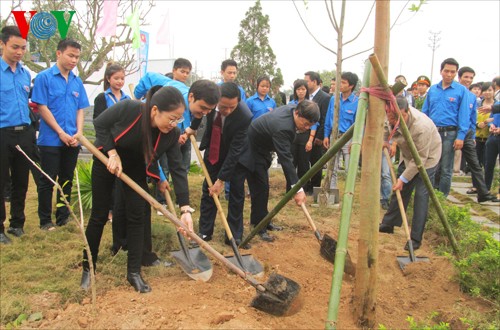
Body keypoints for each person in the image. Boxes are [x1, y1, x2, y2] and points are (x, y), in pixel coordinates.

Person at [81, 86, 194, 293]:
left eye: (178, 119)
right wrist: (112, 153)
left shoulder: (171, 135)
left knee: (137, 215)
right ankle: (89, 268)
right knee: (98, 215)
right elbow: (100, 124)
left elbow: (178, 169)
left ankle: (133, 272)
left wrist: (185, 209)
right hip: (106, 158)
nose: (174, 124)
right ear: (155, 110)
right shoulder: (130, 108)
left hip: (135, 166)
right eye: (171, 118)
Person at [236, 100, 319, 242]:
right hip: (252, 150)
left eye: (310, 126)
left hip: (263, 148)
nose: (306, 128)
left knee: (263, 189)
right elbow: (286, 160)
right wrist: (298, 189)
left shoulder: (294, 109)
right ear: (297, 113)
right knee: (260, 189)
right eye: (305, 124)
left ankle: (265, 221)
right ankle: (258, 226)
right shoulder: (283, 128)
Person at [31, 38, 90, 230]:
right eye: (70, 55)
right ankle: (45, 221)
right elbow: (42, 107)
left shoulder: (76, 81)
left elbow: (81, 108)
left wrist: (79, 133)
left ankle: (63, 216)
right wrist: (60, 132)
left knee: (66, 179)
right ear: (59, 53)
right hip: (50, 140)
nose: (74, 60)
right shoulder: (44, 78)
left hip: (72, 140)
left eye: (77, 57)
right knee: (48, 180)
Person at [379, 97, 442, 251]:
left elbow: (420, 158)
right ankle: (389, 223)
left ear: (407, 112)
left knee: (421, 196)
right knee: (399, 190)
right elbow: (386, 129)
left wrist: (403, 179)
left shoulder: (421, 127)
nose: (393, 120)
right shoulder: (391, 115)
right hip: (407, 157)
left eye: (398, 117)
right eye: (391, 117)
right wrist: (385, 141)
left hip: (427, 159)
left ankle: (415, 239)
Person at [197, 83, 253, 247]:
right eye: (223, 106)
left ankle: (234, 235)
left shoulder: (244, 115)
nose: (227, 111)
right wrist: (192, 128)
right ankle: (205, 231)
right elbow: (199, 115)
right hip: (214, 150)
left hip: (237, 155)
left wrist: (222, 179)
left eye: (231, 107)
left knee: (236, 192)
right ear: (216, 101)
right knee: (209, 189)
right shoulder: (208, 103)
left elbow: (235, 150)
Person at [0, 26, 35, 244]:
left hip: (25, 133)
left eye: (23, 48)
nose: (19, 52)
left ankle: (17, 224)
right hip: (2, 133)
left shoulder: (25, 74)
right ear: (2, 44)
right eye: (15, 47)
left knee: (22, 181)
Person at [421, 58, 469, 197]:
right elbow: (425, 112)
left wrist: (461, 136)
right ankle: (429, 195)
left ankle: (442, 199)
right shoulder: (433, 90)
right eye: (446, 71)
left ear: (456, 74)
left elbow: (464, 115)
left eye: (452, 72)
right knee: (431, 164)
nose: (449, 74)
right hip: (433, 132)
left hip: (450, 133)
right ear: (441, 71)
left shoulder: (461, 91)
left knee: (446, 169)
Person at [456, 67, 497, 203]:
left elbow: (473, 117)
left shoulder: (472, 97)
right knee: (443, 166)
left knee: (475, 164)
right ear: (459, 77)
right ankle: (436, 193)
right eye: (465, 77)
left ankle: (483, 192)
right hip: (451, 132)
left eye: (471, 78)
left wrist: (472, 135)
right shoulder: (453, 91)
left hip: (468, 133)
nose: (468, 80)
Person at [323, 72, 359, 190]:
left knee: (349, 168)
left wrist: (355, 141)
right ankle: (332, 191)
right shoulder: (334, 99)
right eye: (340, 81)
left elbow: (359, 125)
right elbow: (329, 118)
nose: (340, 85)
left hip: (348, 139)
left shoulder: (357, 102)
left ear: (351, 86)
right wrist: (326, 136)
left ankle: (349, 192)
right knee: (332, 167)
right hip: (334, 136)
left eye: (344, 82)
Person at [304, 71, 331, 194]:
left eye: (307, 81)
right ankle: (305, 185)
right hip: (305, 134)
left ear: (314, 82)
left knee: (316, 163)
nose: (305, 83)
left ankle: (314, 188)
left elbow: (325, 117)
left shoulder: (325, 97)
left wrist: (320, 136)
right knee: (304, 162)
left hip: (317, 137)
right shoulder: (305, 96)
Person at [290, 79, 313, 191]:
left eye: (303, 89)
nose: (301, 91)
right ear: (295, 91)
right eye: (298, 89)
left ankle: (303, 188)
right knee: (291, 163)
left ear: (306, 90)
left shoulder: (310, 104)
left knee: (303, 164)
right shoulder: (291, 104)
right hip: (293, 136)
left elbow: (314, 124)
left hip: (305, 136)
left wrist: (310, 140)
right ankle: (290, 189)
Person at [474, 82, 495, 168]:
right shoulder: (477, 103)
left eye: (490, 90)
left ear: (494, 91)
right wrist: (478, 124)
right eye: (485, 90)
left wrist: (490, 122)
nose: (487, 92)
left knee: (487, 163)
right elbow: (471, 118)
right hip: (477, 137)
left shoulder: (497, 105)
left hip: (491, 136)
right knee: (476, 163)